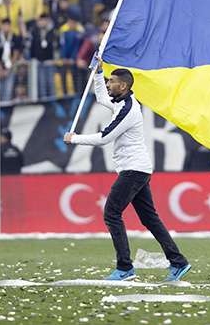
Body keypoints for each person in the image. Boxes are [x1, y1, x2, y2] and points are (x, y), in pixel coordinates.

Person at [64, 61, 191, 282]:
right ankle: (178, 262)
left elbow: (104, 138)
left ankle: (124, 268)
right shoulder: (121, 102)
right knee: (150, 219)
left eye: (111, 81)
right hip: (137, 168)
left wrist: (75, 139)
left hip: (133, 170)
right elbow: (102, 98)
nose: (108, 84)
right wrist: (98, 73)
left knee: (111, 214)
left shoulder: (128, 109)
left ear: (123, 86)